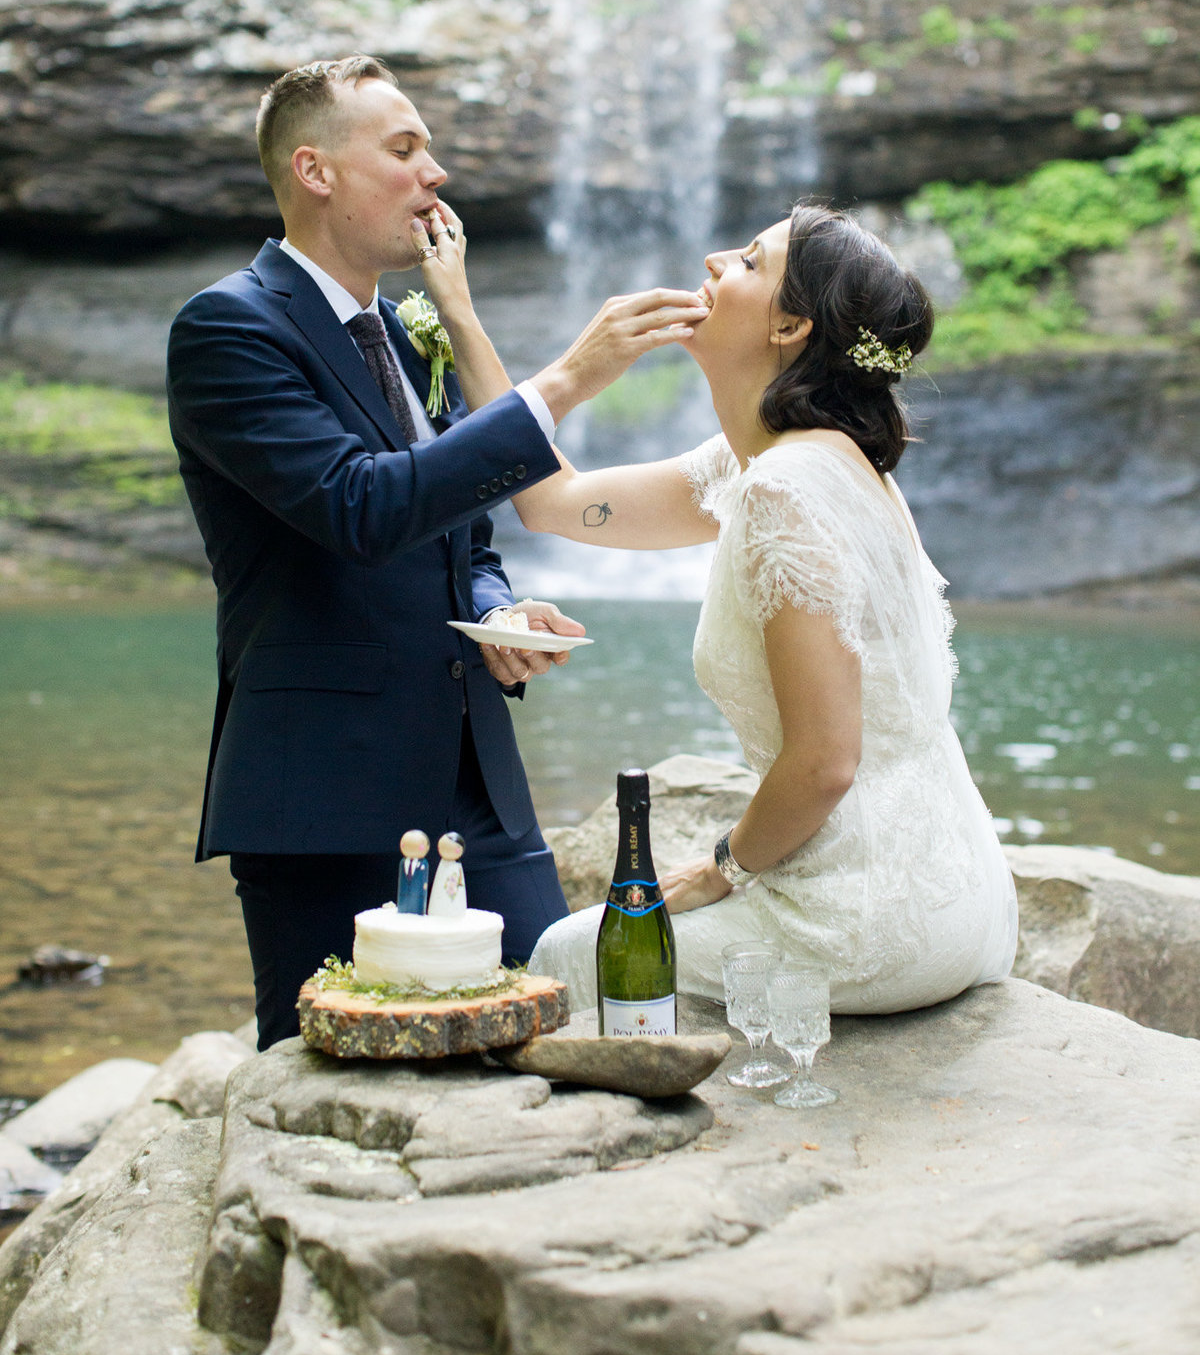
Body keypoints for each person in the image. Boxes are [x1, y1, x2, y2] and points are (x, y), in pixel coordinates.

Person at [166, 54, 708, 1047]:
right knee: (330, 1070)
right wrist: (569, 380)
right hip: (325, 793)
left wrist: (496, 610)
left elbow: (463, 533)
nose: (438, 174)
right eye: (406, 149)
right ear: (316, 169)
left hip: (477, 783)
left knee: (559, 1029)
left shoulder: (404, 333)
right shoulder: (229, 329)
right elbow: (359, 509)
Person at [413, 201, 1018, 1013]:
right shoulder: (772, 461)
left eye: (748, 263)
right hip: (958, 884)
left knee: (566, 951)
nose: (712, 260)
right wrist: (460, 313)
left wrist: (720, 869)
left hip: (876, 916)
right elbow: (554, 502)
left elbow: (825, 761)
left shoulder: (785, 486)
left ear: (791, 326)